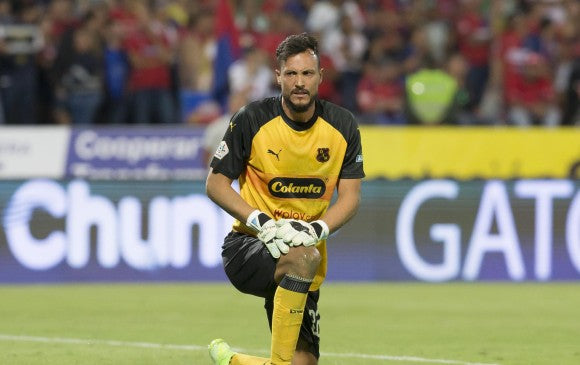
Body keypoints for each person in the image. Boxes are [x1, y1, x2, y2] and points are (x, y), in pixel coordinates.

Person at [206, 33, 364, 365]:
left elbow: (350, 199)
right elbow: (216, 184)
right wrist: (261, 223)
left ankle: (233, 361)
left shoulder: (343, 126)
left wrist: (317, 229)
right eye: (291, 74)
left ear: (320, 76)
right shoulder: (252, 119)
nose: (299, 82)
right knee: (304, 258)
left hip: (306, 251)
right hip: (249, 246)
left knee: (303, 363)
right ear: (278, 76)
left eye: (307, 73)